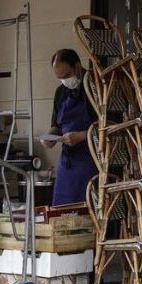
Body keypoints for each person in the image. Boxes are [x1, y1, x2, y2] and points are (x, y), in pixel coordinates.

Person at [43, 49, 98, 205]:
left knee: (87, 208)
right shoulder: (60, 92)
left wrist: (81, 136)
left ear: (78, 66)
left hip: (92, 158)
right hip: (67, 161)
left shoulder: (97, 87)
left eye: (67, 76)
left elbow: (109, 125)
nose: (65, 81)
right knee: (62, 210)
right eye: (60, 78)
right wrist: (50, 138)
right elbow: (55, 126)